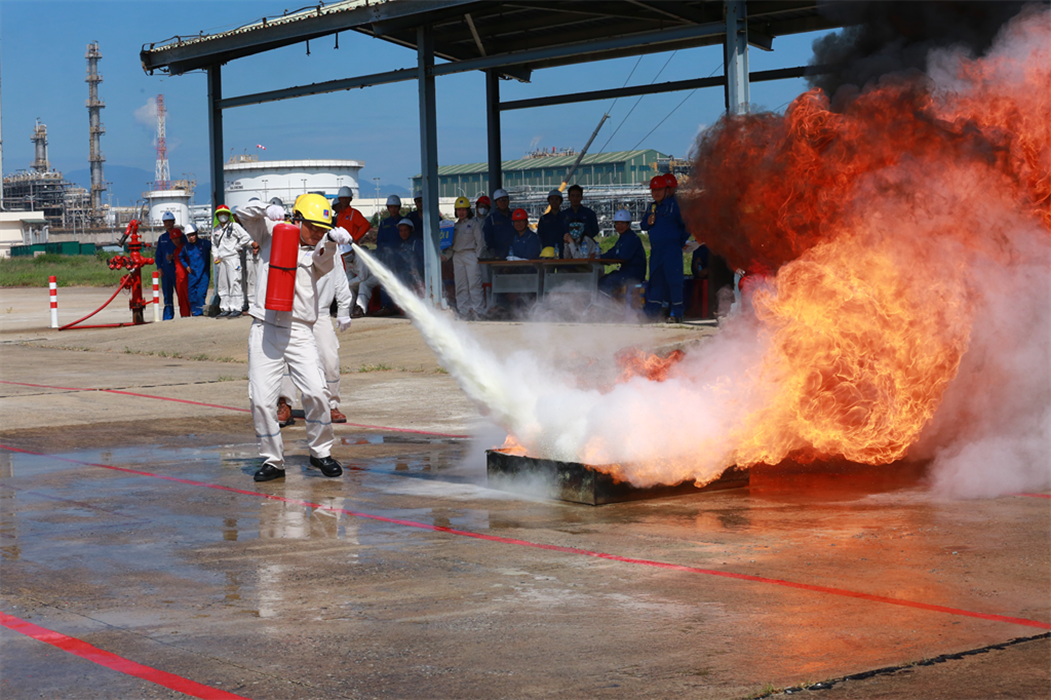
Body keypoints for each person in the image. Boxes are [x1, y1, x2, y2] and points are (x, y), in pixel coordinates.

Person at [239, 193, 353, 482]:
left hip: (300, 330)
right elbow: (242, 212)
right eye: (312, 228)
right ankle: (273, 460)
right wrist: (267, 208)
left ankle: (320, 452)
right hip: (265, 327)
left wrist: (332, 240)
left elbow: (323, 263)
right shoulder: (271, 232)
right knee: (262, 400)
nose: (316, 234)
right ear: (298, 219)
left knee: (316, 391)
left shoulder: (321, 249)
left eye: (321, 229)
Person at [278, 261, 354, 425]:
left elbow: (340, 280)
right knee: (288, 362)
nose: (316, 234)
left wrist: (343, 310)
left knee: (330, 359)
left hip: (321, 314)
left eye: (320, 232)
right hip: (294, 313)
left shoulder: (331, 249)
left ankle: (331, 404)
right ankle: (285, 404)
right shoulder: (294, 245)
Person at [641, 174, 691, 322]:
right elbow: (643, 226)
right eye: (653, 190)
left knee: (674, 281)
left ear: (666, 190)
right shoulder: (652, 207)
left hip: (671, 250)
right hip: (656, 250)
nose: (656, 192)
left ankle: (677, 313)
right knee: (655, 281)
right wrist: (649, 222)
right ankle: (652, 314)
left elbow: (688, 225)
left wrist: (679, 242)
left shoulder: (675, 205)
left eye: (660, 189)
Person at [448, 196, 485, 319]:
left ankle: (478, 311)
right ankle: (463, 311)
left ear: (468, 210)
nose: (461, 212)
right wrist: (445, 256)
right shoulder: (453, 226)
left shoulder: (474, 224)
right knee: (460, 286)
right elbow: (449, 245)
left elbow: (480, 242)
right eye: (459, 210)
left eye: (464, 209)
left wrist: (477, 257)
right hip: (457, 256)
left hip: (471, 254)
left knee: (474, 285)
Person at [212, 204, 251, 318]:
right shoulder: (216, 229)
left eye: (225, 213)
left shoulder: (234, 226)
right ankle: (225, 307)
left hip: (233, 258)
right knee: (223, 284)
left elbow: (246, 237)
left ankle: (236, 307)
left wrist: (237, 247)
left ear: (228, 215)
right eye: (220, 214)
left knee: (234, 282)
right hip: (222, 259)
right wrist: (215, 255)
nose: (222, 216)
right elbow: (214, 244)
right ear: (217, 216)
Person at [599, 209, 647, 297]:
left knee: (607, 281)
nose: (619, 226)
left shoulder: (631, 238)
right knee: (602, 279)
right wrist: (599, 257)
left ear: (628, 224)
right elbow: (613, 252)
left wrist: (606, 258)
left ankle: (605, 306)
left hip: (633, 274)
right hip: (626, 272)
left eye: (623, 223)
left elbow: (623, 256)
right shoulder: (623, 238)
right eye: (617, 223)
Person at [154, 212, 189, 320]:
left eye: (170, 221)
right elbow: (158, 254)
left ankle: (185, 314)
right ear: (163, 223)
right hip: (166, 271)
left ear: (174, 222)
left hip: (178, 270)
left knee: (182, 293)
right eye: (166, 222)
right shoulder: (162, 238)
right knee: (167, 294)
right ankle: (168, 317)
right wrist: (159, 268)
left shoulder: (181, 237)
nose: (168, 223)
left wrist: (174, 258)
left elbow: (186, 252)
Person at [178, 223, 211, 316]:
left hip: (203, 274)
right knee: (192, 294)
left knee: (200, 294)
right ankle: (195, 313)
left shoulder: (205, 243)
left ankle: (200, 312)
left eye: (193, 235)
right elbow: (181, 257)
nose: (191, 237)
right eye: (189, 236)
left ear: (196, 233)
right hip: (192, 275)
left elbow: (215, 248)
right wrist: (186, 266)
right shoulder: (186, 247)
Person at [558, 184, 599, 249]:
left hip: (586, 246)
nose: (575, 198)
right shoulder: (563, 215)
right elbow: (560, 231)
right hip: (567, 247)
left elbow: (595, 230)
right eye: (573, 196)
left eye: (577, 196)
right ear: (569, 198)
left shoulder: (590, 213)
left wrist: (583, 238)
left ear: (581, 197)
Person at [482, 188, 515, 259]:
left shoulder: (514, 216)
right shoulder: (491, 219)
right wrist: (493, 252)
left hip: (515, 254)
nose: (503, 202)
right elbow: (488, 238)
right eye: (500, 200)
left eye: (505, 199)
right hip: (499, 255)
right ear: (496, 202)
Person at [344, 245, 376, 318]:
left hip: (374, 276)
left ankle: (360, 308)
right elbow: (349, 273)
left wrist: (349, 283)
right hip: (364, 277)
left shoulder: (360, 258)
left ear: (352, 251)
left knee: (363, 284)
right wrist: (348, 283)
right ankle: (347, 310)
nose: (346, 256)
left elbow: (362, 278)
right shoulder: (347, 259)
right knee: (350, 287)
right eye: (344, 254)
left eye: (347, 253)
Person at [537, 188, 567, 258]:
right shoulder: (543, 219)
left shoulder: (566, 217)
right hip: (547, 253)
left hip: (563, 252)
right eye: (552, 199)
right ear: (549, 201)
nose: (554, 201)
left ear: (561, 201)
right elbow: (540, 237)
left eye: (556, 199)